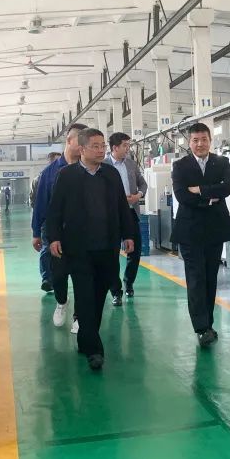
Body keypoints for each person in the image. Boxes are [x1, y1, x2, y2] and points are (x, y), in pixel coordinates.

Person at [45, 128, 135, 371]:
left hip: (107, 247)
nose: (101, 150)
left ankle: (86, 339)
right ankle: (94, 350)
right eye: (95, 146)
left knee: (98, 296)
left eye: (102, 145)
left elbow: (122, 207)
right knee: (85, 296)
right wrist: (53, 238)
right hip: (78, 248)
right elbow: (55, 209)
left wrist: (128, 234)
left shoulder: (110, 175)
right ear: (82, 149)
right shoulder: (67, 175)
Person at [170, 123, 230, 347]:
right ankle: (201, 328)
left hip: (215, 229)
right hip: (190, 231)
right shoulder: (180, 166)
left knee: (210, 277)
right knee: (196, 278)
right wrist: (210, 197)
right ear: (189, 143)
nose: (200, 144)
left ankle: (208, 323)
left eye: (204, 139)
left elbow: (227, 188)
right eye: (195, 140)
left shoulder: (221, 162)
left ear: (210, 140)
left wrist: (200, 190)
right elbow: (181, 196)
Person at [32, 126, 86, 331]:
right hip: (56, 233)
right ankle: (62, 301)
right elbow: (41, 204)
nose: (84, 146)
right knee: (59, 275)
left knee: (83, 276)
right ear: (69, 141)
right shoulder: (50, 173)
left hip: (83, 233)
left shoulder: (88, 169)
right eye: (80, 141)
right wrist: (36, 232)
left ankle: (79, 316)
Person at [104, 132, 148, 304]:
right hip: (111, 216)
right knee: (112, 254)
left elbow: (143, 183)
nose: (128, 149)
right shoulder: (103, 165)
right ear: (115, 148)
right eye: (125, 146)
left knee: (135, 252)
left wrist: (138, 195)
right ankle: (116, 291)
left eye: (128, 145)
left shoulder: (131, 164)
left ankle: (129, 282)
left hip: (131, 213)